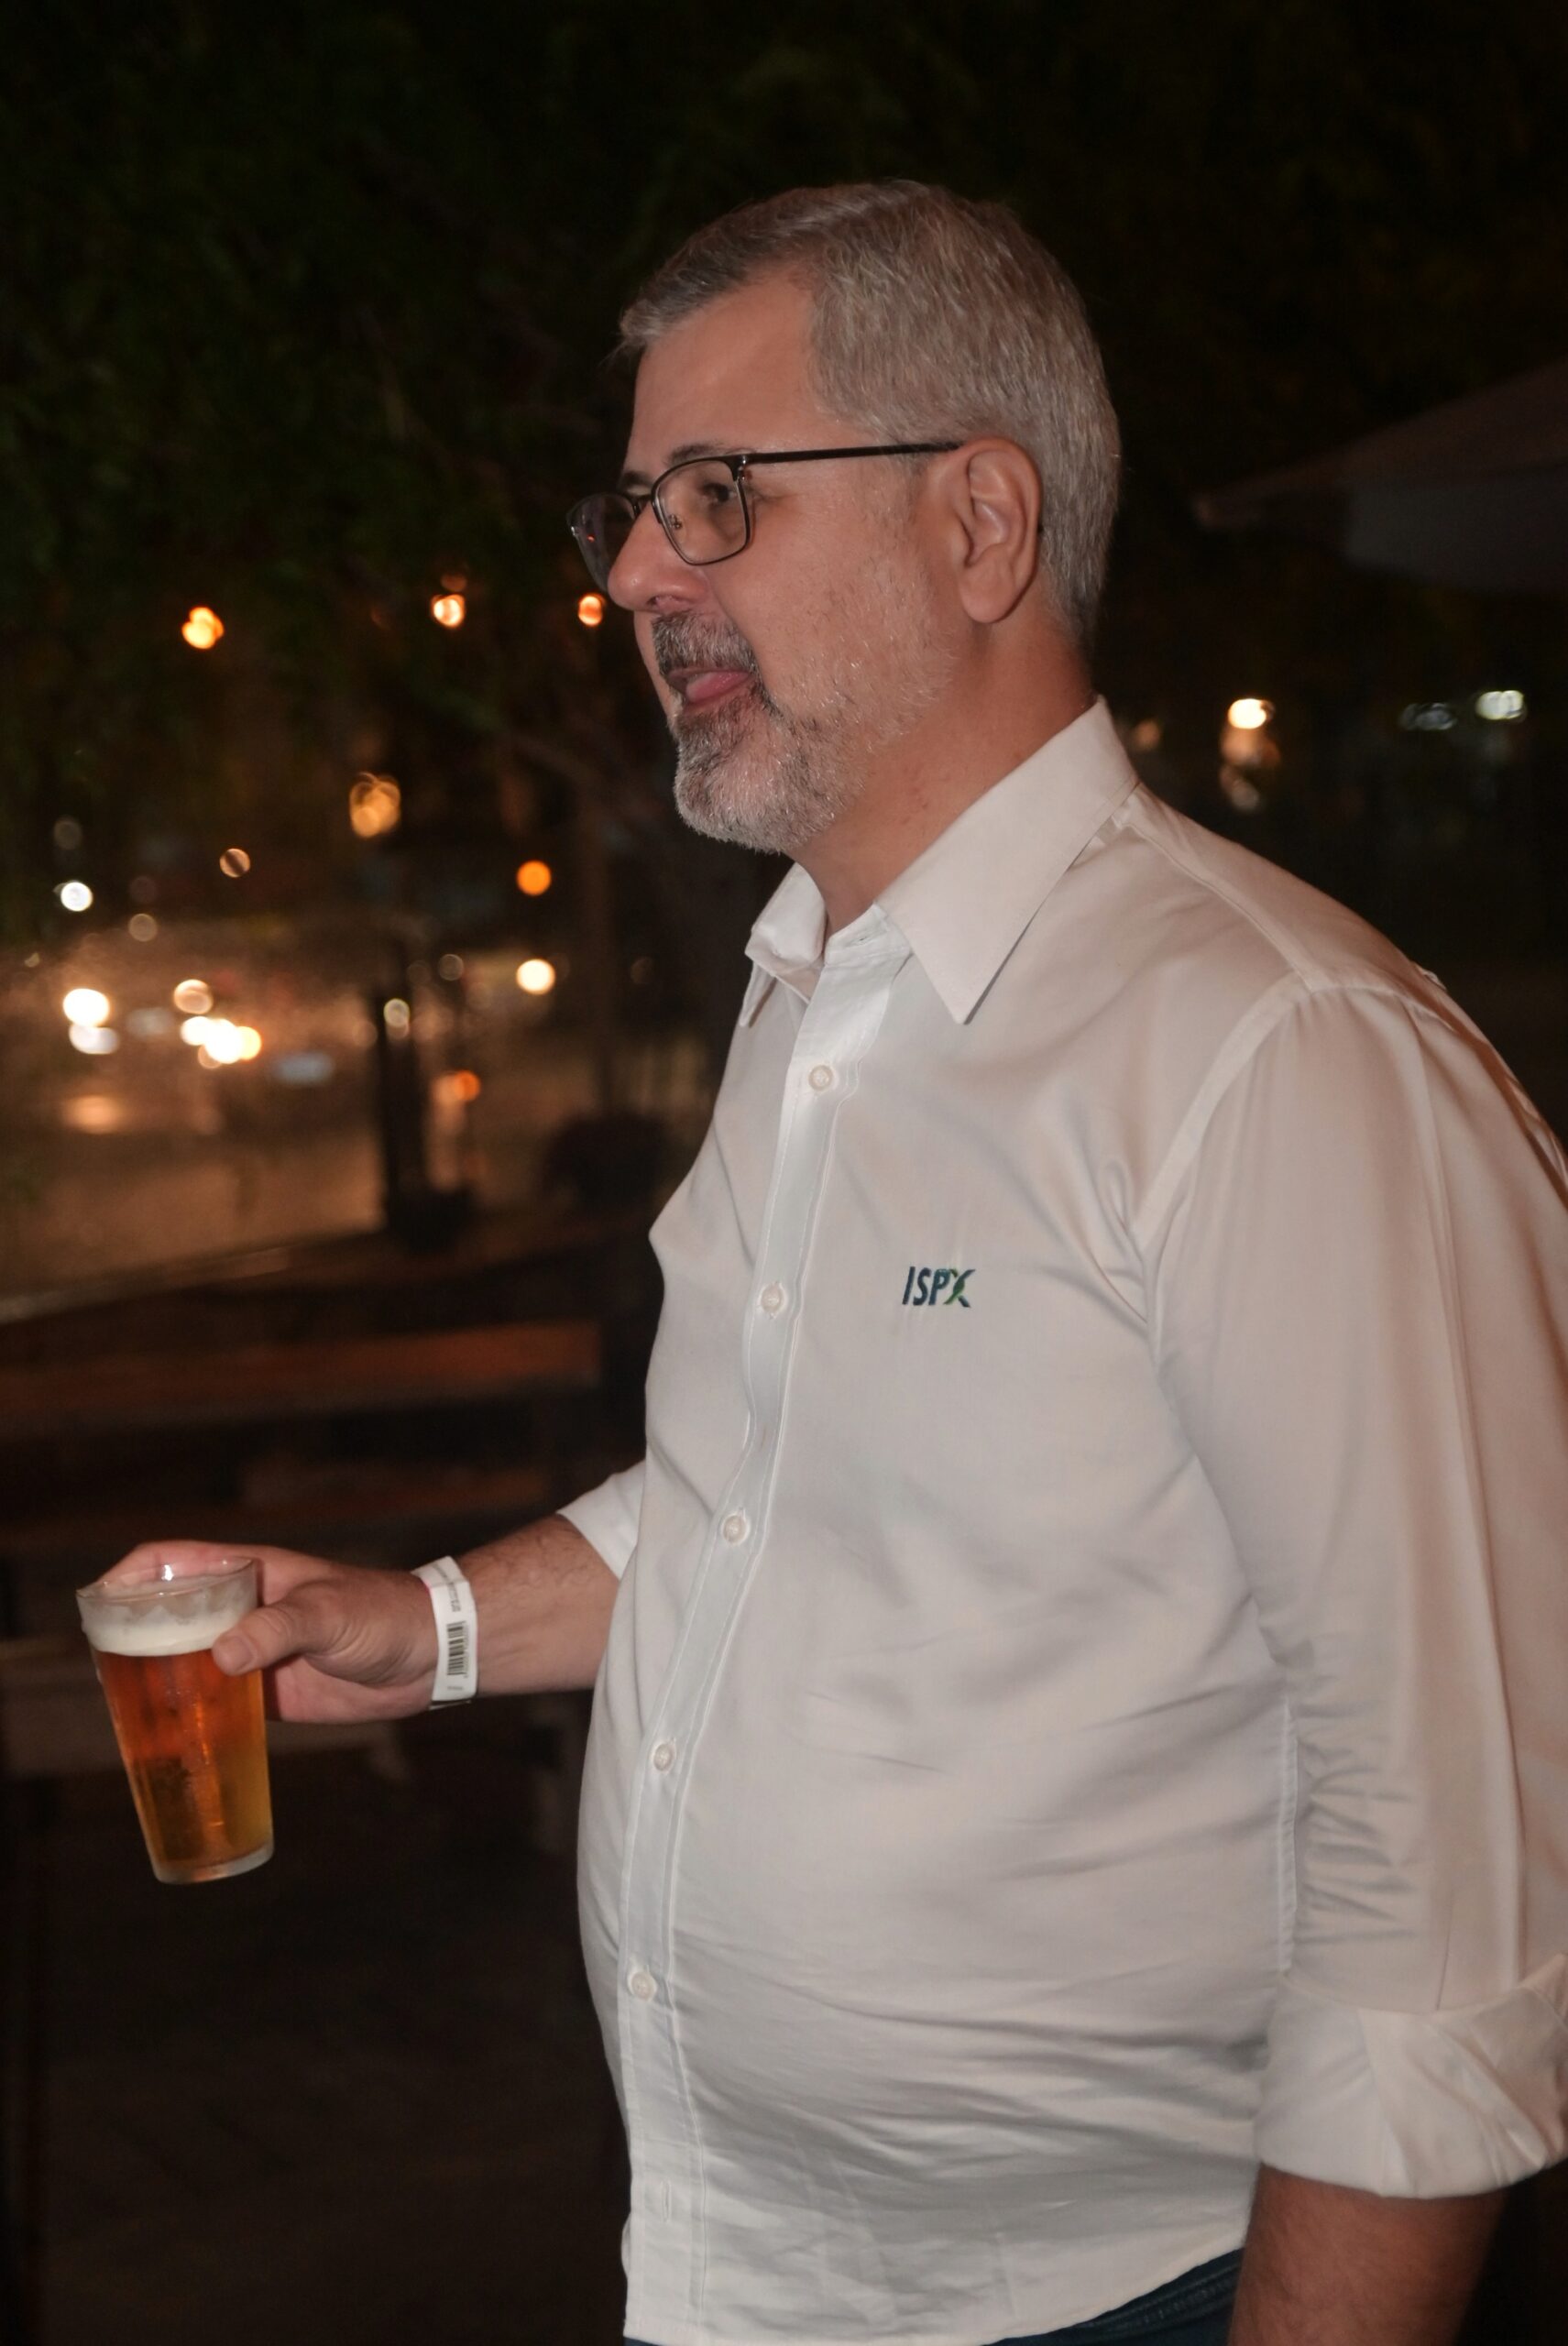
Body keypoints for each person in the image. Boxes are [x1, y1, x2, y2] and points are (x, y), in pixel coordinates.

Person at [115, 183, 1568, 2346]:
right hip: (753, 2274)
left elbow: (1449, 1881)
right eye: (629, 509)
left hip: (1126, 2296)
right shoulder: (813, 987)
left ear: (980, 524)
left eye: (715, 495)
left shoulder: (1283, 1054)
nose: (633, 574)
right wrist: (426, 1626)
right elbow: (774, 1491)